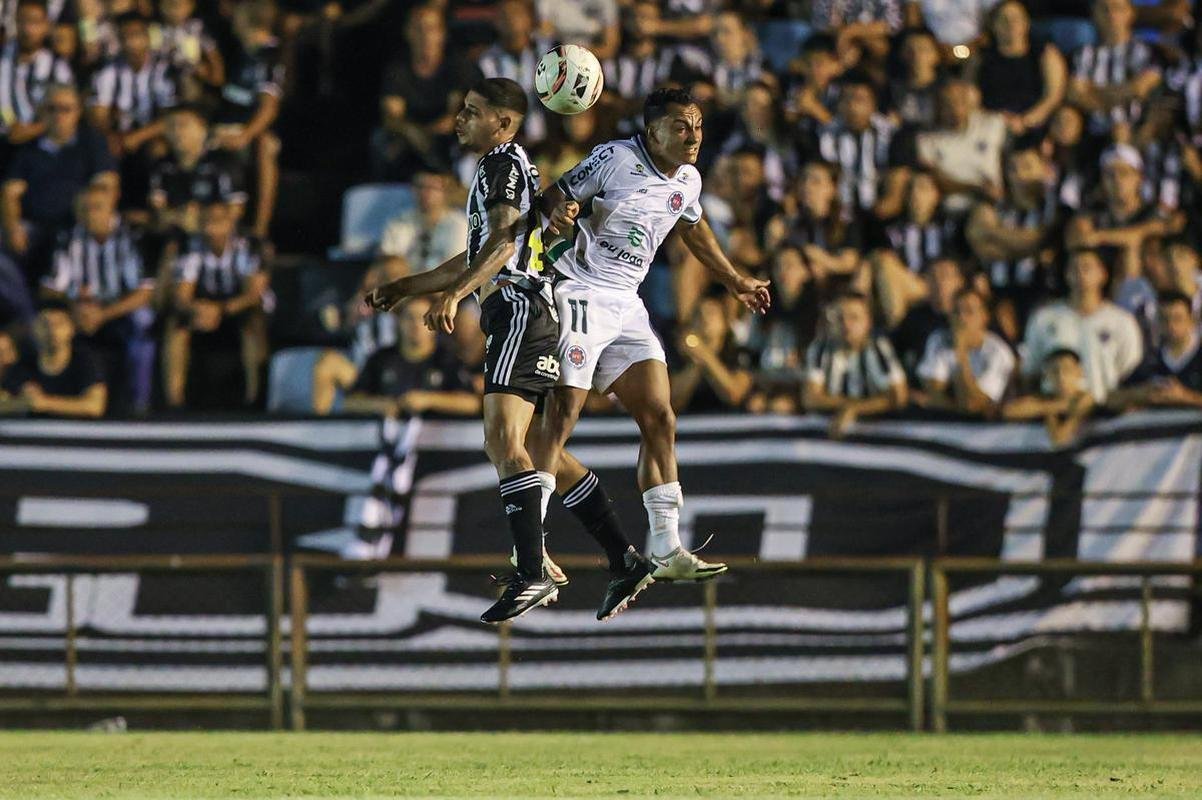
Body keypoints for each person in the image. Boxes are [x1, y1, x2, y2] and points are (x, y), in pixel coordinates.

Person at [367, 78, 651, 624]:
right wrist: (408, 287)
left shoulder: (501, 163)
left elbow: (501, 247)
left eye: (472, 112)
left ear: (503, 123)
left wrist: (454, 294)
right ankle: (624, 557)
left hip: (519, 307)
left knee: (503, 439)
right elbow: (481, 252)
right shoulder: (503, 168)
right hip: (523, 309)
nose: (459, 119)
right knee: (540, 447)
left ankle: (533, 570)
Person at [533, 87, 772, 583]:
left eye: (699, 125)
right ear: (653, 130)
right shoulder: (614, 157)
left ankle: (665, 546)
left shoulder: (688, 179)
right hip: (579, 291)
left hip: (627, 303)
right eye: (681, 126)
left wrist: (733, 279)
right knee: (562, 416)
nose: (693, 136)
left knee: (660, 416)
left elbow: (693, 225)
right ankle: (527, 546)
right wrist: (556, 215)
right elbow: (550, 199)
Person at [40, 184, 154, 413]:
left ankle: (139, 403)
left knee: (144, 321)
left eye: (97, 207)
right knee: (50, 322)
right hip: (80, 312)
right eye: (85, 209)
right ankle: (54, 396)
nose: (91, 214)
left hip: (118, 311)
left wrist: (103, 314)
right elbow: (49, 288)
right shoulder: (68, 237)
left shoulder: (132, 236)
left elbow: (145, 292)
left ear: (111, 207)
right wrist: (75, 306)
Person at [2, 84, 118, 283]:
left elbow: (107, 186)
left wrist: (85, 219)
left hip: (78, 226)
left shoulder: (91, 143)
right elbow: (10, 193)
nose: (58, 115)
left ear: (78, 112)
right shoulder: (29, 148)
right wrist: (13, 227)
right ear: (42, 112)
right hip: (34, 225)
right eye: (51, 109)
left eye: (65, 109)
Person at [162, 202, 269, 409]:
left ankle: (254, 400)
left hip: (239, 308)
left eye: (219, 222)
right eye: (207, 222)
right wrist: (198, 310)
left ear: (231, 224)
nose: (212, 228)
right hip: (204, 309)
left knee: (253, 323)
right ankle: (174, 402)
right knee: (177, 326)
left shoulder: (249, 245)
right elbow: (182, 296)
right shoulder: (191, 247)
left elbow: (253, 295)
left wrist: (221, 310)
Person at [1021, 248, 1143, 402]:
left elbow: (1129, 369)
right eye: (1074, 268)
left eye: (1087, 267)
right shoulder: (1044, 319)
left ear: (1103, 274)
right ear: (1066, 274)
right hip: (1056, 411)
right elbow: (1031, 371)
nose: (1080, 273)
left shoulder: (1122, 321)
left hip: (1105, 413)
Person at [343, 295, 480, 418]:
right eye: (409, 317)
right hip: (387, 439)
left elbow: (472, 403)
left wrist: (429, 400)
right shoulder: (381, 358)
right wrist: (380, 405)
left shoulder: (447, 360)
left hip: (439, 440)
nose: (416, 325)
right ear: (399, 322)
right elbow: (350, 402)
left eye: (423, 318)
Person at [803, 291, 908, 437]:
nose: (846, 324)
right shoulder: (820, 348)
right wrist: (852, 406)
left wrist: (854, 409)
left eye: (854, 318)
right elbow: (811, 399)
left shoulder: (880, 348)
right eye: (840, 318)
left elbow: (899, 398)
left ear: (868, 322)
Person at [915, 288, 1016, 416]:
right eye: (956, 311)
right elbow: (932, 391)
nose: (962, 317)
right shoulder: (939, 339)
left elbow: (973, 405)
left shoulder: (999, 353)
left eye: (969, 311)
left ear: (984, 317)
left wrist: (961, 353)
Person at [0, 298, 106, 417]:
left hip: (75, 433)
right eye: (45, 324)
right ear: (34, 329)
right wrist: (21, 403)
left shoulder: (86, 360)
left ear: (71, 328)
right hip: (35, 433)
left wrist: (45, 402)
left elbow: (94, 406)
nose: (51, 331)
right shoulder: (24, 363)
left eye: (58, 324)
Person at [0, 0, 74, 156]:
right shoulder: (3, 58)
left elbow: (68, 110)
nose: (28, 29)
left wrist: (32, 130)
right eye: (23, 21)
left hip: (40, 146)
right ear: (15, 22)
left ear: (46, 25)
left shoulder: (57, 66)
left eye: (35, 22)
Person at [1108, 291, 1202, 409]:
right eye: (1164, 319)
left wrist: (1186, 397)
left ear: (1191, 320)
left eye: (1178, 319)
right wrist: (1142, 394)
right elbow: (1112, 397)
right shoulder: (1149, 361)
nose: (1171, 325)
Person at [376, 171, 467, 275]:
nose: (424, 193)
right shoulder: (400, 220)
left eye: (432, 188)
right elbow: (388, 259)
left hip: (440, 284)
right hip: (404, 283)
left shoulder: (459, 224)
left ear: (445, 192)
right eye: (420, 187)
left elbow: (455, 266)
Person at [1002, 348, 1095, 446]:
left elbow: (1060, 439)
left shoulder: (1086, 398)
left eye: (1067, 369)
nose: (1061, 377)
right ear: (1047, 375)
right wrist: (1059, 406)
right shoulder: (1048, 399)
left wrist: (1043, 409)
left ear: (1079, 372)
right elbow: (1008, 411)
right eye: (1054, 371)